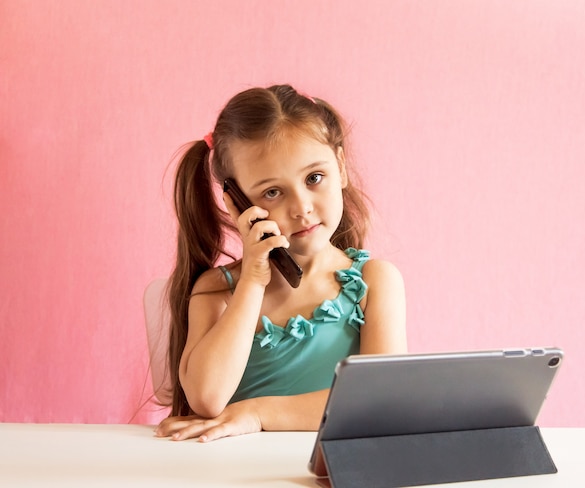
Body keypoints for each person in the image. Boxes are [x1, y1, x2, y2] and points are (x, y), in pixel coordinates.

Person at [154, 84, 407, 442]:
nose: (301, 206)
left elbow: (385, 401)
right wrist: (252, 283)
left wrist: (258, 412)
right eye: (273, 192)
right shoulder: (218, 291)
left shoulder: (374, 282)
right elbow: (207, 398)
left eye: (314, 178)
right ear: (238, 204)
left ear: (341, 167)